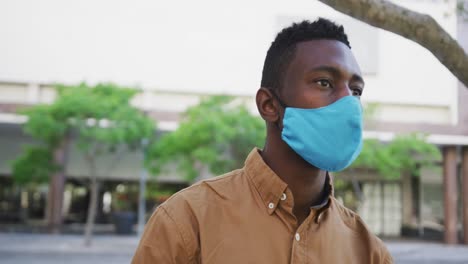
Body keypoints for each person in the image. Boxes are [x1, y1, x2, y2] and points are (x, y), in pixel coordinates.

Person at [132, 18, 393, 263]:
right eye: (324, 83)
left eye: (356, 91)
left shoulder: (369, 251)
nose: (347, 102)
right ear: (269, 105)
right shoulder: (187, 221)